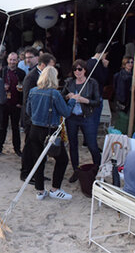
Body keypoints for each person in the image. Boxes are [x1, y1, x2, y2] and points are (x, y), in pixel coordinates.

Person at [24, 66, 76, 201]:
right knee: (62, 159)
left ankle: (40, 190)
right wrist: (72, 101)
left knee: (38, 159)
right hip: (50, 130)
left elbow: (28, 111)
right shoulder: (54, 93)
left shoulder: (33, 91)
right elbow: (66, 113)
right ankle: (55, 189)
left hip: (34, 129)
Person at [62, 59, 101, 183]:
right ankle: (76, 171)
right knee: (73, 145)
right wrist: (68, 97)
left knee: (92, 145)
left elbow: (97, 102)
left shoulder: (92, 83)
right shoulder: (69, 83)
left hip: (87, 117)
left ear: (85, 70)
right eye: (75, 69)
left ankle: (98, 170)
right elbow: (61, 97)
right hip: (72, 118)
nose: (77, 72)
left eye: (80, 69)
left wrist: (85, 100)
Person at [20, 53, 56, 181]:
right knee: (29, 147)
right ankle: (25, 173)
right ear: (43, 65)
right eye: (51, 66)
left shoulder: (40, 76)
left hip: (39, 119)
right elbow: (26, 101)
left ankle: (36, 173)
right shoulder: (31, 77)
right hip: (31, 119)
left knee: (38, 149)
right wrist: (29, 120)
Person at [0, 52, 26, 157]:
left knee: (15, 128)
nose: (12, 62)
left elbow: (24, 89)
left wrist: (20, 103)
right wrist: (2, 88)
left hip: (15, 104)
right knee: (2, 127)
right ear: (7, 60)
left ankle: (17, 149)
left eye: (14, 60)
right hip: (4, 103)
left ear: (17, 61)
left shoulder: (21, 73)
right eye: (11, 59)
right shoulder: (2, 71)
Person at [86, 43, 110, 133]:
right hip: (96, 94)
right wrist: (105, 67)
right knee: (95, 120)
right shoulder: (97, 64)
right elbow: (103, 79)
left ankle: (87, 140)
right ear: (103, 53)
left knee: (89, 119)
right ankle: (91, 141)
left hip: (88, 93)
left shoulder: (88, 62)